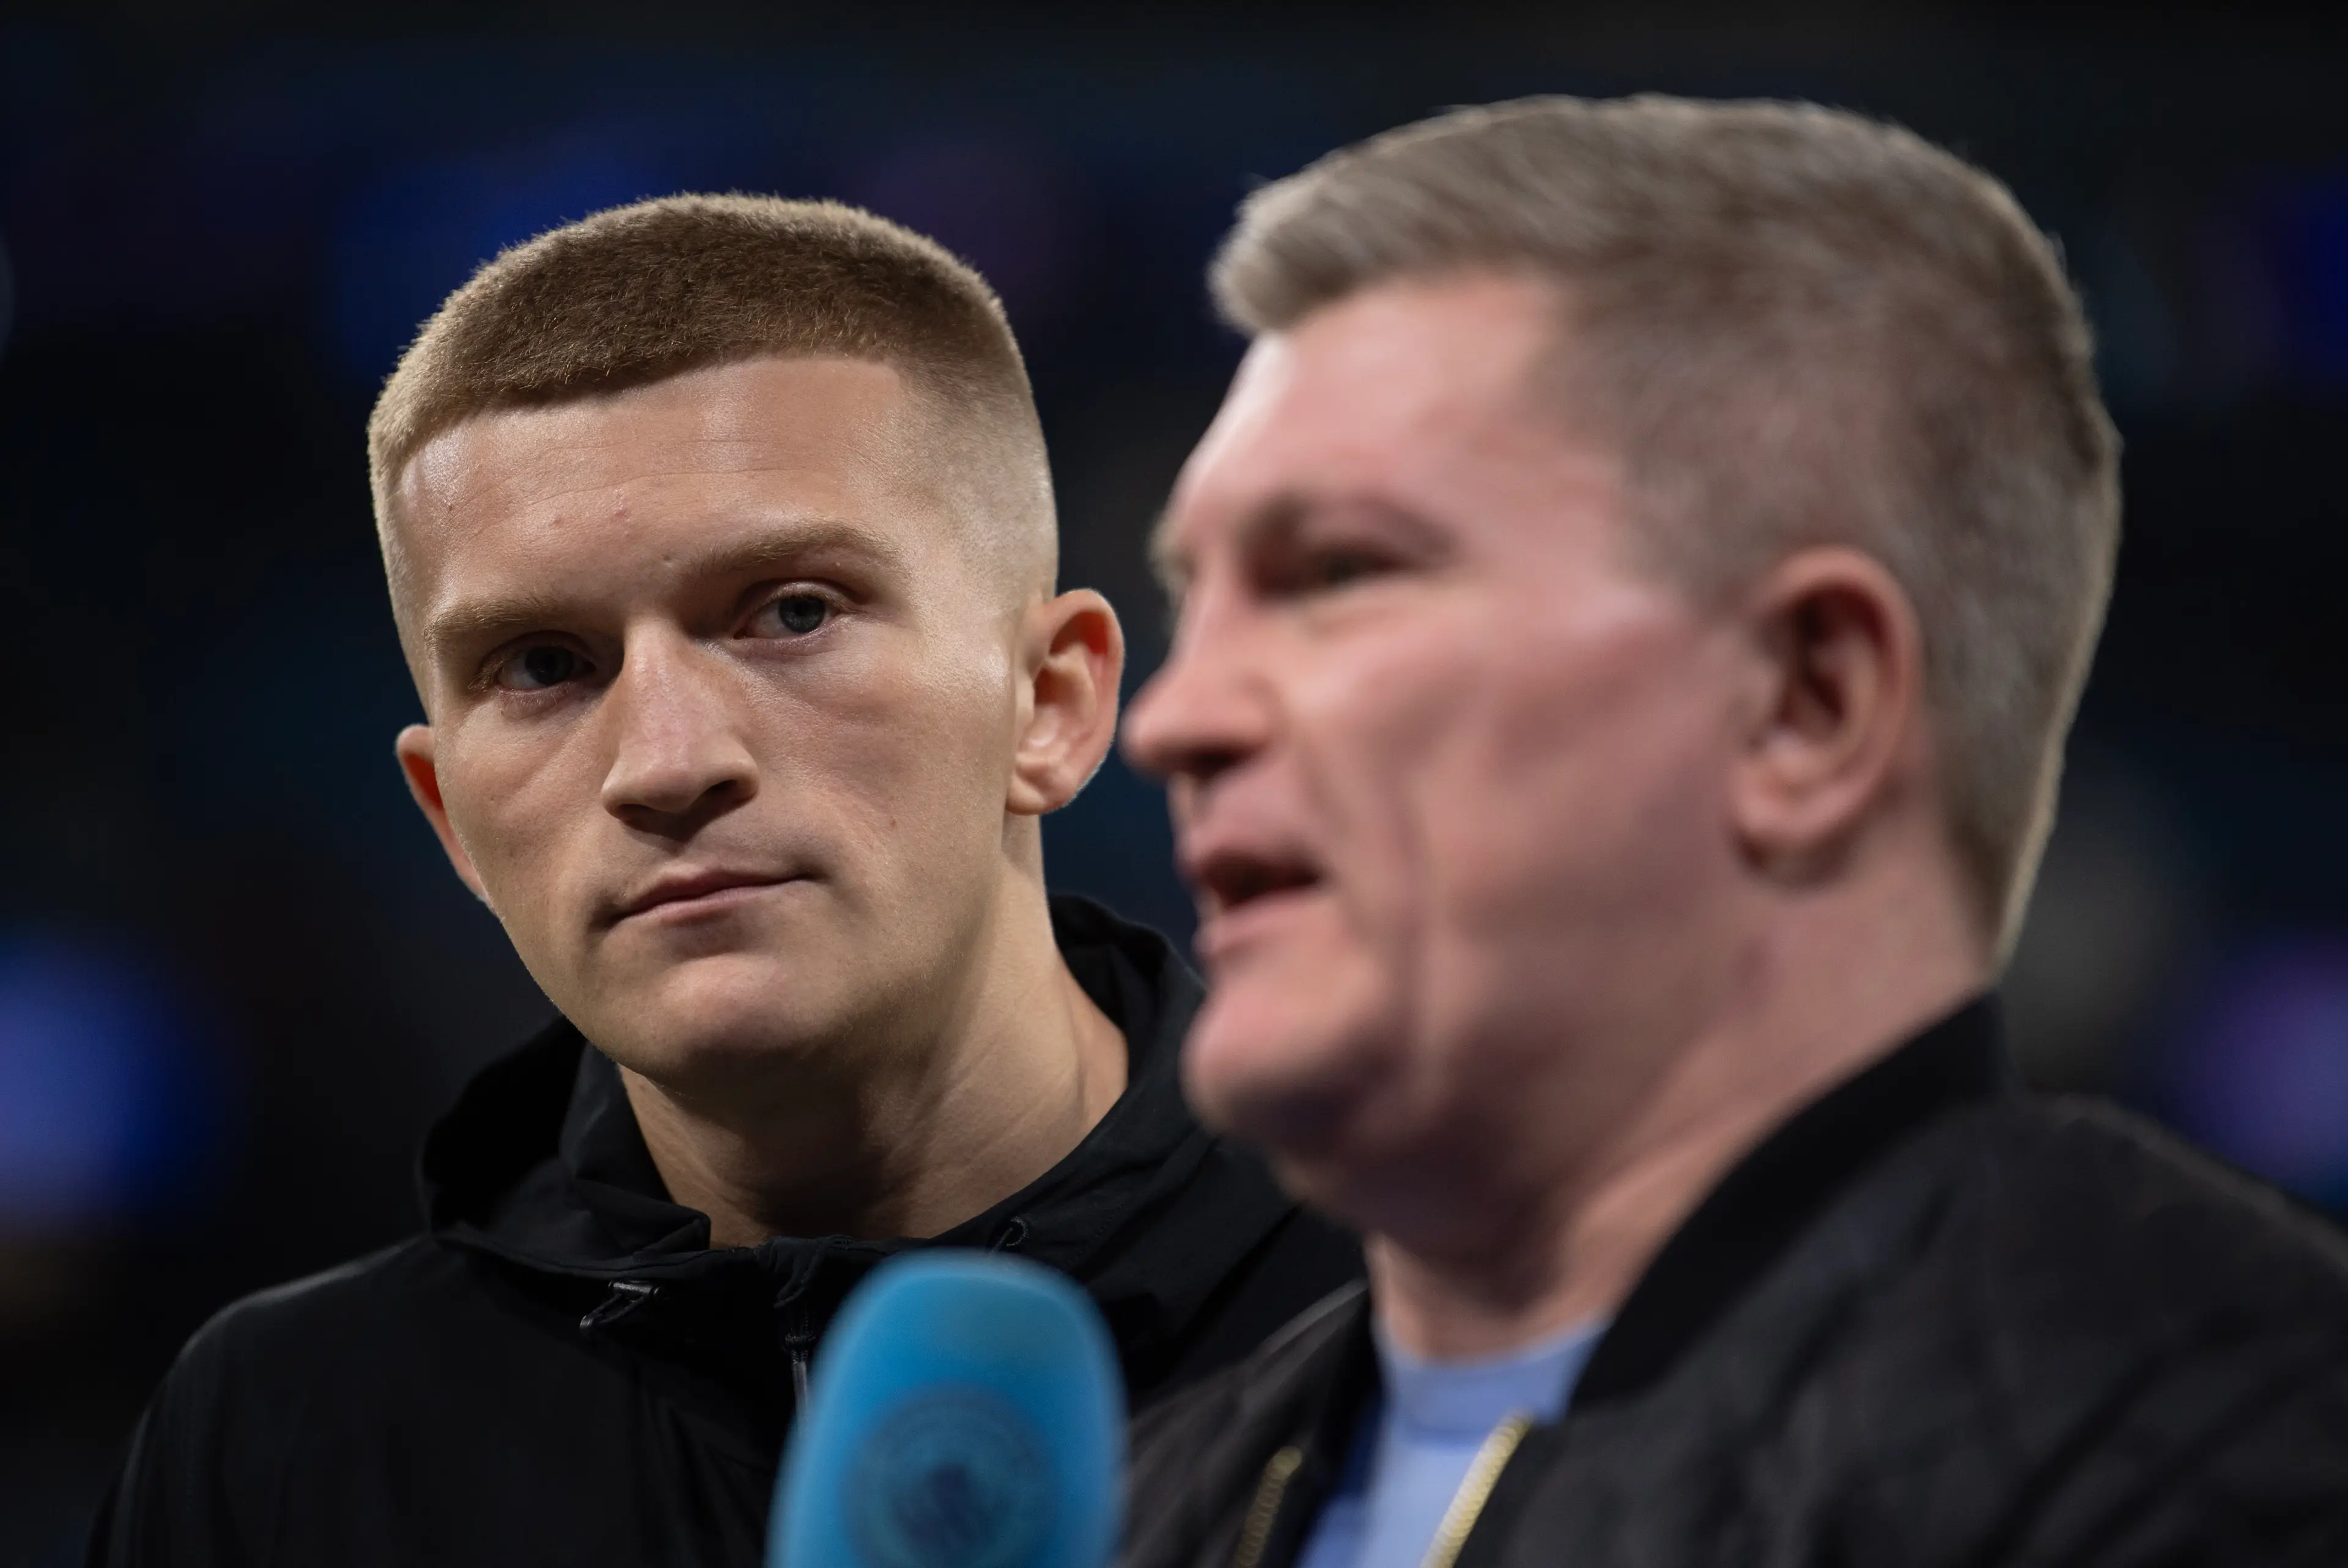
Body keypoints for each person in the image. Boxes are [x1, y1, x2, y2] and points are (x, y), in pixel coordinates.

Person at [1117, 96, 2348, 1568]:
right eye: (1197, 605)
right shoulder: (1140, 1506)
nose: (1175, 719)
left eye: (1336, 573)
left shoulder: (2218, 1448)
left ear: (1805, 708)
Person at [89, 195, 1359, 1567]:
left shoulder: (1457, 1330)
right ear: (452, 819)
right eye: (541, 665)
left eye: (791, 611)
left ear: (1048, 704)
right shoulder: (282, 1440)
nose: (665, 761)